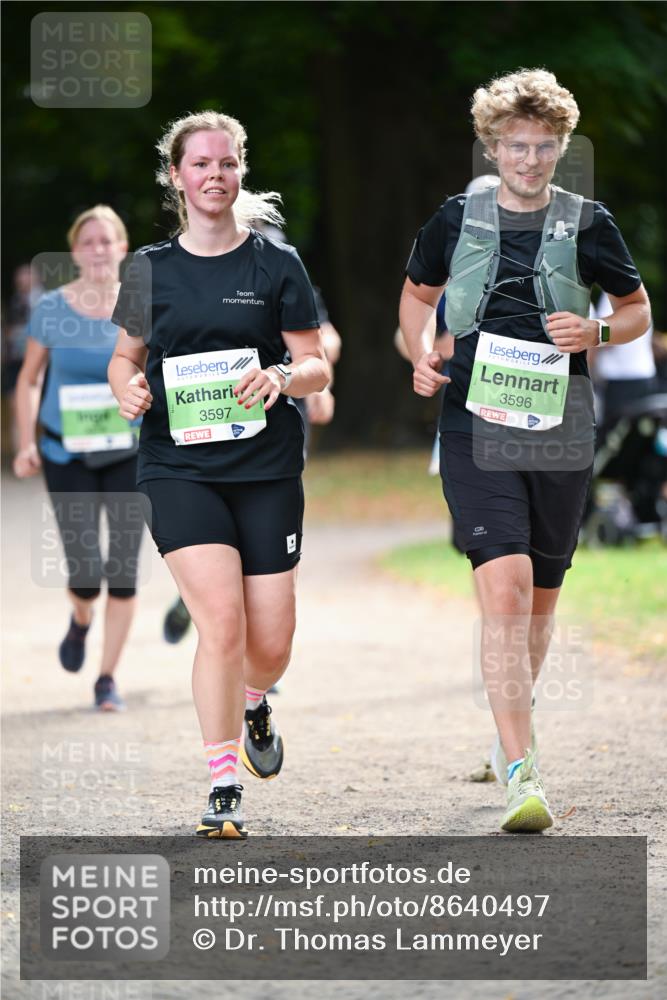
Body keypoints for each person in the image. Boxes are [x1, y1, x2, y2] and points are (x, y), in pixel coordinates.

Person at [399, 69, 650, 832]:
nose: (530, 160)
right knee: (501, 589)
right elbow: (415, 297)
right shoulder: (454, 218)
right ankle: (520, 771)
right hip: (475, 422)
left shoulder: (590, 223)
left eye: (544, 147)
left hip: (561, 425)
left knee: (539, 598)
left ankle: (509, 726)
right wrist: (418, 352)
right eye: (515, 145)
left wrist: (597, 331)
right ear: (492, 146)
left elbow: (636, 311)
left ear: (560, 148)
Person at [108, 110, 329, 838]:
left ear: (240, 171)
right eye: (200, 164)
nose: (214, 175)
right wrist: (126, 388)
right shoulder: (148, 269)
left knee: (270, 641)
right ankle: (222, 782)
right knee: (221, 622)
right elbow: (125, 356)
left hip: (265, 470)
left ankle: (257, 698)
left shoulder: (275, 264)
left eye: (227, 163)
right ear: (176, 176)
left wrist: (281, 376)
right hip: (178, 468)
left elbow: (315, 360)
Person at [161, 230, 342, 647]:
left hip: (281, 411)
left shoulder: (282, 267)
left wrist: (320, 388)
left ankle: (258, 644)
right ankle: (205, 599)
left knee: (262, 535)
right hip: (208, 426)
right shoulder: (185, 275)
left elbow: (321, 339)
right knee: (215, 538)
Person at [13, 206, 144, 711]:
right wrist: (26, 441)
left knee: (125, 568)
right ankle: (81, 616)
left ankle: (107, 678)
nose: (97, 249)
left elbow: (153, 372)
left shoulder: (140, 308)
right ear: (74, 251)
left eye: (106, 240)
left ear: (122, 249)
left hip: (126, 449)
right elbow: (28, 381)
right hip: (65, 450)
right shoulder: (52, 309)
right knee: (86, 569)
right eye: (87, 241)